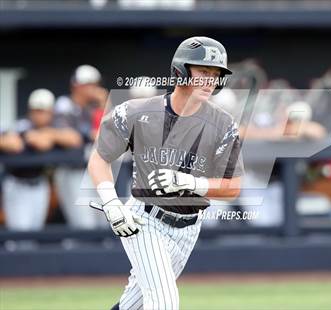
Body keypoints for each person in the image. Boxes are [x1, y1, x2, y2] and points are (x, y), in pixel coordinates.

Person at [88, 36, 243, 310]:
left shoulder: (223, 123)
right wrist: (110, 202)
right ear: (180, 70)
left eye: (215, 75)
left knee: (132, 305)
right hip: (145, 219)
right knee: (164, 303)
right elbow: (99, 158)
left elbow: (233, 187)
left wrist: (189, 182)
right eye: (203, 72)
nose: (210, 80)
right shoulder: (138, 111)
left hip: (189, 226)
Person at [0, 89, 80, 230]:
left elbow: (74, 139)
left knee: (35, 231)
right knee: (20, 235)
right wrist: (39, 137)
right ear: (30, 110)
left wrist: (51, 135)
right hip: (18, 185)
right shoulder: (22, 124)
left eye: (44, 111)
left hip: (40, 185)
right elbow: (18, 143)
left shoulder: (53, 127)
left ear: (51, 112)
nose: (40, 115)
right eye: (37, 110)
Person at [54, 64, 108, 229]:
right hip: (73, 170)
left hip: (96, 172)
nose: (92, 89)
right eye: (87, 84)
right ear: (75, 85)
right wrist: (89, 134)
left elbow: (113, 131)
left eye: (94, 84)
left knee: (106, 222)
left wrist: (104, 103)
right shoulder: (64, 105)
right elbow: (70, 138)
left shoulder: (95, 107)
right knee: (84, 225)